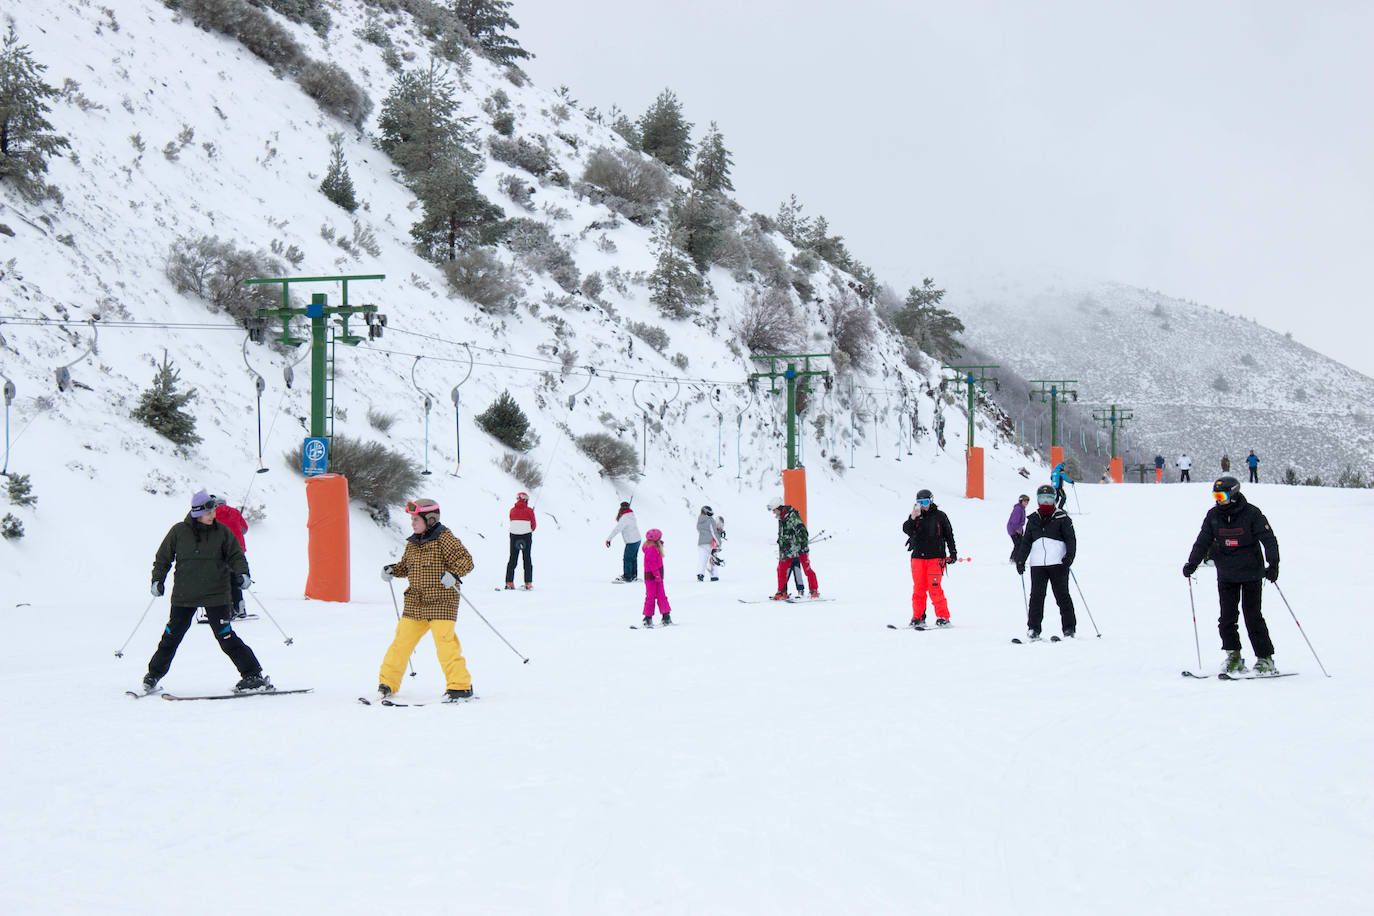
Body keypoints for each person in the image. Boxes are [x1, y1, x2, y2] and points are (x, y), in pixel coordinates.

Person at [141, 490, 269, 694]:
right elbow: (163, 558)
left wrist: (242, 574)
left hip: (216, 594)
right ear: (197, 513)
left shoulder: (222, 532)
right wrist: (157, 579)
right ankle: (153, 675)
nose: (213, 515)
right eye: (209, 512)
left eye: (214, 512)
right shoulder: (179, 531)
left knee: (226, 637)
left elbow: (236, 555)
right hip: (185, 594)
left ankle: (253, 675)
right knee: (172, 635)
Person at [378, 498, 476, 701]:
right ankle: (387, 683)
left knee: (445, 643)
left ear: (430, 519)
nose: (412, 523)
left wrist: (454, 574)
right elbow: (406, 567)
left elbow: (466, 561)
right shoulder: (413, 542)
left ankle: (460, 686)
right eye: (412, 519)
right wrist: (392, 570)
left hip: (441, 601)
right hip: (416, 603)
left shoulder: (444, 538)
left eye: (416, 519)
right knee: (401, 642)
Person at [1182, 477, 1280, 675]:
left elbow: (1268, 540)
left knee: (1252, 616)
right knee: (1227, 618)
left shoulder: (1252, 513)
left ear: (1233, 495)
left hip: (1251, 573)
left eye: (1222, 496)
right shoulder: (1213, 516)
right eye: (1215, 496)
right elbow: (1202, 541)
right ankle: (1233, 656)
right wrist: (1192, 563)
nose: (1218, 500)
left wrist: (1273, 564)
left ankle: (1265, 659)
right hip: (1226, 574)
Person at [1013, 485, 1078, 640]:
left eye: (1049, 498)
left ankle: (1069, 628)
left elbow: (1071, 539)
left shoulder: (1062, 518)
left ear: (1054, 499)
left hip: (1058, 563)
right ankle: (1034, 629)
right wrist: (1021, 560)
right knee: (1036, 597)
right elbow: (1026, 542)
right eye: (1042, 498)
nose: (1046, 502)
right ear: (1038, 500)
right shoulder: (1033, 519)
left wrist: (1069, 556)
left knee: (1062, 596)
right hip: (1038, 564)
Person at [902, 488, 957, 627]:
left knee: (934, 587)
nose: (923, 505)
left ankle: (943, 617)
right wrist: (913, 518)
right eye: (920, 502)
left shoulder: (940, 516)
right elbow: (906, 530)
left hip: (936, 557)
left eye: (925, 501)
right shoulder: (916, 516)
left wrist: (953, 553)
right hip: (918, 558)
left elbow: (949, 535)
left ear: (931, 500)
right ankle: (918, 617)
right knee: (919, 589)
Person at [768, 498, 819, 600]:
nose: (773, 512)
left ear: (780, 508)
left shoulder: (792, 517)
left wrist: (799, 543)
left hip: (799, 548)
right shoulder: (781, 518)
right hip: (788, 550)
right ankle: (782, 592)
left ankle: (814, 591)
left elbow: (803, 532)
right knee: (781, 569)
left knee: (807, 569)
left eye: (774, 510)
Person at [212, 497, 250, 618]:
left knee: (223, 580)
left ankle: (228, 610)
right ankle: (240, 608)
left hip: (221, 551)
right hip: (238, 551)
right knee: (236, 579)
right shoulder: (235, 512)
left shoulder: (212, 514)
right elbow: (245, 529)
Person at [504, 491, 535, 589]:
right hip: (526, 536)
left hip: (514, 536)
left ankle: (509, 582)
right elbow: (533, 525)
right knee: (527, 559)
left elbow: (511, 520)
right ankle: (528, 583)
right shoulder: (529, 510)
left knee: (512, 558)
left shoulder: (512, 510)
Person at [640, 528, 671, 627]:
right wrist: (657, 575)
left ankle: (666, 616)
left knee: (661, 596)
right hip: (652, 578)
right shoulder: (652, 549)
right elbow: (652, 564)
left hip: (657, 577)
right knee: (651, 597)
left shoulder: (655, 547)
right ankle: (647, 618)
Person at [606, 501, 641, 583]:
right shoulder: (631, 515)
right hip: (637, 540)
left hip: (631, 541)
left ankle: (627, 577)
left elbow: (617, 529)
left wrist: (609, 539)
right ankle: (633, 575)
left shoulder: (625, 518)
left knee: (627, 559)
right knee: (633, 558)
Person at [695, 506, 719, 582]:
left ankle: (700, 575)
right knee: (713, 559)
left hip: (701, 543)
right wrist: (718, 542)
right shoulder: (710, 520)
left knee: (702, 560)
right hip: (710, 543)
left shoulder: (699, 520)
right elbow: (714, 532)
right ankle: (714, 576)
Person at [1007, 494, 1030, 562]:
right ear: (1021, 501)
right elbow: (1015, 521)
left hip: (1017, 529)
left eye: (1027, 501)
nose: (1026, 503)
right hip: (1013, 529)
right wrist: (1017, 530)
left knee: (1020, 544)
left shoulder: (1021, 508)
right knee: (1018, 544)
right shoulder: (1018, 509)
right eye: (1024, 501)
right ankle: (1014, 559)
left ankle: (1015, 559)